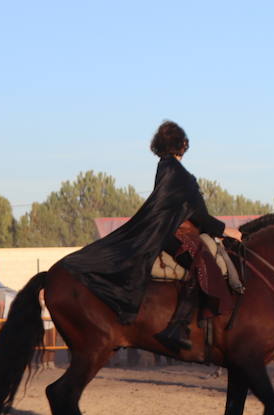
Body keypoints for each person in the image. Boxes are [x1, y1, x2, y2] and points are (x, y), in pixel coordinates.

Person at [59, 120, 243, 352]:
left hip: (169, 229)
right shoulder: (177, 173)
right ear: (183, 144)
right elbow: (195, 213)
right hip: (174, 232)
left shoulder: (166, 168)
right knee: (202, 260)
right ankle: (179, 325)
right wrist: (226, 230)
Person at [38, 288, 57, 369]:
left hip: (53, 320)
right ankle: (44, 362)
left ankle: (51, 362)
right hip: (44, 320)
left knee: (52, 342)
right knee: (45, 342)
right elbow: (42, 305)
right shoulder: (41, 293)